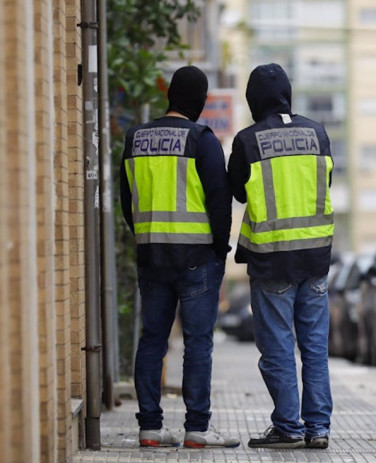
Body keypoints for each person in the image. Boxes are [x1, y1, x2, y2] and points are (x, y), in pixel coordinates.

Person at [119, 65, 239, 449]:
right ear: (200, 101)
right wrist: (220, 249)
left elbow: (127, 200)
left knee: (152, 340)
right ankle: (197, 428)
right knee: (197, 342)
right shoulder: (201, 139)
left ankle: (150, 428)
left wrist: (145, 236)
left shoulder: (135, 138)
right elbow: (219, 203)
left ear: (171, 96)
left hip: (152, 255)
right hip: (196, 257)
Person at [228, 63, 334, 450]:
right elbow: (325, 184)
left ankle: (289, 426)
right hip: (316, 259)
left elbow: (238, 192)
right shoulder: (318, 133)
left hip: (273, 261)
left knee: (277, 348)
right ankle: (318, 428)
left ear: (253, 100)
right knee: (314, 347)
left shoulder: (248, 140)